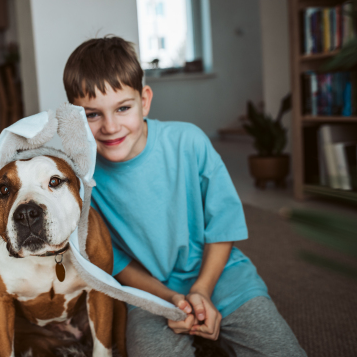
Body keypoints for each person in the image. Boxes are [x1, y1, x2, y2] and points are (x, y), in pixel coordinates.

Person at [62, 36, 306, 357]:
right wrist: (170, 299)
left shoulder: (189, 142)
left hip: (223, 279)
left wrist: (202, 290)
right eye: (92, 115)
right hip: (149, 295)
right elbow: (115, 260)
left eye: (123, 108)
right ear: (74, 117)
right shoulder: (82, 177)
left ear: (144, 101)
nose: (110, 126)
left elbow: (223, 226)